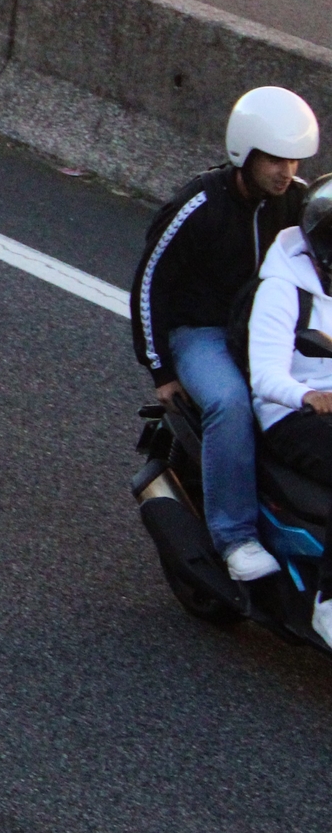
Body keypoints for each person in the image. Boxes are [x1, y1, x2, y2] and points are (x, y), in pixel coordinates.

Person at [132, 86, 319, 583]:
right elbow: (151, 281)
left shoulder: (297, 203)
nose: (286, 172)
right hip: (204, 333)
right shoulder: (198, 205)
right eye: (275, 160)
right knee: (232, 403)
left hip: (268, 327)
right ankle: (236, 537)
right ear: (246, 153)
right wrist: (160, 368)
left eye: (294, 161)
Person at [247, 180, 332, 641]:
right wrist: (306, 396)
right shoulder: (284, 288)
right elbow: (265, 376)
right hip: (291, 413)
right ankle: (329, 604)